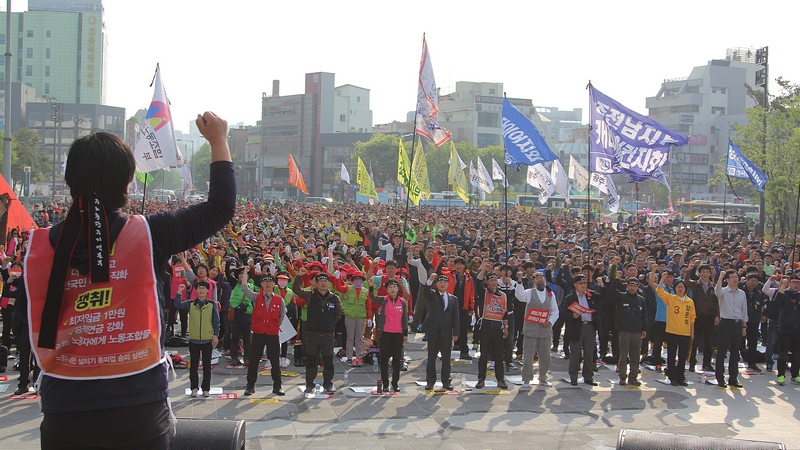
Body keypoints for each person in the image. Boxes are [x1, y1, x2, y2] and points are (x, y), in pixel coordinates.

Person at [24, 111, 235, 449]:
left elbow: (27, 316)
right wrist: (219, 141)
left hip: (64, 408)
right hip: (137, 406)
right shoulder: (149, 234)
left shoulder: (35, 249)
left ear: (70, 180)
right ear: (125, 183)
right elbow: (220, 207)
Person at [292, 269, 342, 396]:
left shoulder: (334, 298)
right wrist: (299, 276)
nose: (324, 284)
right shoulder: (310, 295)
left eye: (326, 281)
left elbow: (338, 314)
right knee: (311, 360)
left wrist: (329, 324)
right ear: (315, 283)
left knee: (328, 360)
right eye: (321, 281)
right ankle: (309, 383)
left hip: (327, 335)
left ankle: (328, 383)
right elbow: (296, 289)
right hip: (312, 334)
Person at [240, 271, 286, 396]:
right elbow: (244, 288)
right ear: (261, 284)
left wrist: (274, 326)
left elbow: (281, 315)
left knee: (275, 361)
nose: (268, 284)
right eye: (265, 281)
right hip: (258, 333)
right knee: (254, 361)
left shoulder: (279, 300)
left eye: (270, 281)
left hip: (272, 334)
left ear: (274, 284)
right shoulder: (256, 297)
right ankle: (250, 386)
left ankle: (277, 386)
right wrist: (245, 272)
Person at [650, 268, 696, 387]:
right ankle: (672, 376)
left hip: (685, 332)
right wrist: (663, 278)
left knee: (682, 356)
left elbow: (692, 317)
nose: (680, 289)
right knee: (671, 355)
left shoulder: (689, 301)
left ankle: (681, 376)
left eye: (682, 287)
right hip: (672, 331)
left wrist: (692, 332)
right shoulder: (670, 298)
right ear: (675, 289)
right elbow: (659, 290)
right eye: (678, 287)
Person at [174, 280, 220, 398]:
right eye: (199, 288)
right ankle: (194, 388)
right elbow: (177, 304)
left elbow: (216, 321)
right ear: (196, 290)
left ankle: (206, 389)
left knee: (206, 366)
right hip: (194, 339)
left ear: (207, 291)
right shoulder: (190, 304)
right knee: (193, 366)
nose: (201, 291)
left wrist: (215, 335)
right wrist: (179, 291)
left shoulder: (212, 304)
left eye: (203, 288)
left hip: (207, 339)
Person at [515, 270, 559, 388]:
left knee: (545, 356)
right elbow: (520, 296)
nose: (540, 280)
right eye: (537, 278)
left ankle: (543, 378)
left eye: (542, 278)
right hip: (531, 329)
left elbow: (555, 311)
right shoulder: (529, 292)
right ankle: (527, 379)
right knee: (528, 356)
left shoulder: (550, 294)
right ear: (534, 281)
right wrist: (519, 281)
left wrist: (549, 322)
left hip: (545, 330)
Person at [421, 272, 460, 391]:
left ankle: (446, 381)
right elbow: (426, 292)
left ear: (448, 284)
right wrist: (429, 281)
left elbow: (456, 317)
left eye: (445, 282)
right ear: (436, 284)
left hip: (447, 331)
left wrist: (456, 332)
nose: (442, 284)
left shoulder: (453, 299)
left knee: (446, 358)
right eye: (440, 282)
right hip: (434, 330)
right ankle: (430, 381)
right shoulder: (433, 295)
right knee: (431, 357)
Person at [368, 277, 408, 393]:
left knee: (397, 360)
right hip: (385, 332)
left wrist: (405, 333)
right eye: (390, 287)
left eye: (394, 287)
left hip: (398, 334)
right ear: (387, 290)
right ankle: (385, 383)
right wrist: (371, 287)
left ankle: (395, 383)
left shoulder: (402, 302)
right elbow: (373, 297)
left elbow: (404, 319)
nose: (392, 289)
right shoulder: (384, 300)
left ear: (398, 289)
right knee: (384, 359)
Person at [473, 269, 509, 390]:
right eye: (491, 280)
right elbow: (477, 282)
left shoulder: (503, 295)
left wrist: (506, 327)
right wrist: (483, 267)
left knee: (499, 355)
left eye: (495, 280)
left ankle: (500, 379)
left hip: (498, 327)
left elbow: (505, 312)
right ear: (487, 282)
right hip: (486, 327)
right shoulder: (484, 293)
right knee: (484, 355)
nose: (493, 283)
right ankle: (481, 379)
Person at [564, 275, 600, 386]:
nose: (583, 285)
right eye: (580, 283)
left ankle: (588, 376)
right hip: (576, 327)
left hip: (589, 326)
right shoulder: (570, 298)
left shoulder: (592, 295)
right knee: (575, 353)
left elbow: (603, 300)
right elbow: (564, 314)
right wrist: (573, 316)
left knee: (589, 352)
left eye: (584, 283)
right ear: (575, 285)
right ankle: (573, 376)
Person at [714, 270, 747, 388]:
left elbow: (744, 311)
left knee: (735, 352)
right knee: (722, 351)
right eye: (732, 277)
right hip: (726, 323)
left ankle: (733, 378)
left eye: (736, 276)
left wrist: (744, 326)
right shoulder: (723, 291)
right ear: (727, 280)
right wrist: (721, 276)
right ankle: (720, 377)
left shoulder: (742, 293)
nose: (735, 279)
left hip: (737, 323)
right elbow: (717, 291)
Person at [612, 277, 647, 386]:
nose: (632, 288)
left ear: (638, 287)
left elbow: (644, 316)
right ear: (627, 286)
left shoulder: (641, 299)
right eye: (630, 286)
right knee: (623, 356)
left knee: (635, 356)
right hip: (624, 330)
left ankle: (633, 377)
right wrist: (616, 279)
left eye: (635, 286)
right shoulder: (621, 297)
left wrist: (644, 329)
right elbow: (612, 291)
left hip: (637, 331)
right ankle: (622, 377)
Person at [685, 264, 719, 372]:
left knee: (708, 342)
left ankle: (707, 364)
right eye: (703, 272)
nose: (705, 274)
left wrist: (717, 315)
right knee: (695, 340)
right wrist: (688, 271)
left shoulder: (714, 286)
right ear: (699, 273)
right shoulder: (695, 285)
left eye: (707, 272)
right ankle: (692, 362)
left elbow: (716, 302)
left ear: (710, 273)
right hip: (697, 316)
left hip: (710, 316)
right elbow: (686, 282)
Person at [772, 276, 800, 386]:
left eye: (798, 283)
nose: (796, 285)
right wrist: (783, 286)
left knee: (797, 355)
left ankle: (795, 375)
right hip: (785, 329)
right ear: (790, 283)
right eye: (794, 283)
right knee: (783, 354)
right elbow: (777, 301)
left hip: (798, 330)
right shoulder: (784, 294)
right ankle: (781, 375)